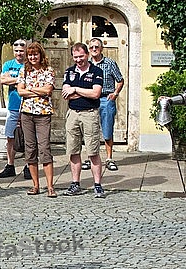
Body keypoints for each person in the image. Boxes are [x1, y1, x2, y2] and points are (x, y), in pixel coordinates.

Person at [61, 42, 105, 198]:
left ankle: (98, 185)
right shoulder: (69, 71)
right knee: (73, 150)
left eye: (81, 56)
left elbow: (96, 94)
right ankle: (75, 183)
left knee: (93, 152)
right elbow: (66, 93)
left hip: (90, 114)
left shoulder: (96, 71)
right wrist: (80, 91)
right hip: (73, 113)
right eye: (75, 57)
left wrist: (76, 89)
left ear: (87, 55)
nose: (78, 60)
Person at [17, 42, 56, 198]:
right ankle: (35, 185)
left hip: (43, 113)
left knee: (45, 148)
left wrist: (30, 89)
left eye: (35, 54)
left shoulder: (48, 70)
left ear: (41, 55)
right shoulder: (24, 70)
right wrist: (37, 92)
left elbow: (48, 90)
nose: (33, 57)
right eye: (30, 54)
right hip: (26, 113)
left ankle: (50, 186)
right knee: (30, 148)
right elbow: (20, 91)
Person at [88, 37, 124, 172]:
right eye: (91, 47)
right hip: (90, 100)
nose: (94, 49)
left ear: (101, 48)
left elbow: (120, 80)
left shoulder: (109, 63)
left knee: (107, 130)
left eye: (96, 47)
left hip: (106, 99)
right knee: (90, 130)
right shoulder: (87, 64)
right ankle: (92, 157)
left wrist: (115, 93)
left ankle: (109, 158)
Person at [0, 39, 30, 179]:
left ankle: (29, 166)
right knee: (10, 136)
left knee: (28, 138)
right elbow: (3, 80)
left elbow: (32, 81)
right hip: (13, 105)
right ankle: (10, 165)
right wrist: (20, 80)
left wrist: (13, 79)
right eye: (16, 51)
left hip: (28, 106)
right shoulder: (8, 64)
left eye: (21, 51)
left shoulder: (30, 64)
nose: (19, 53)